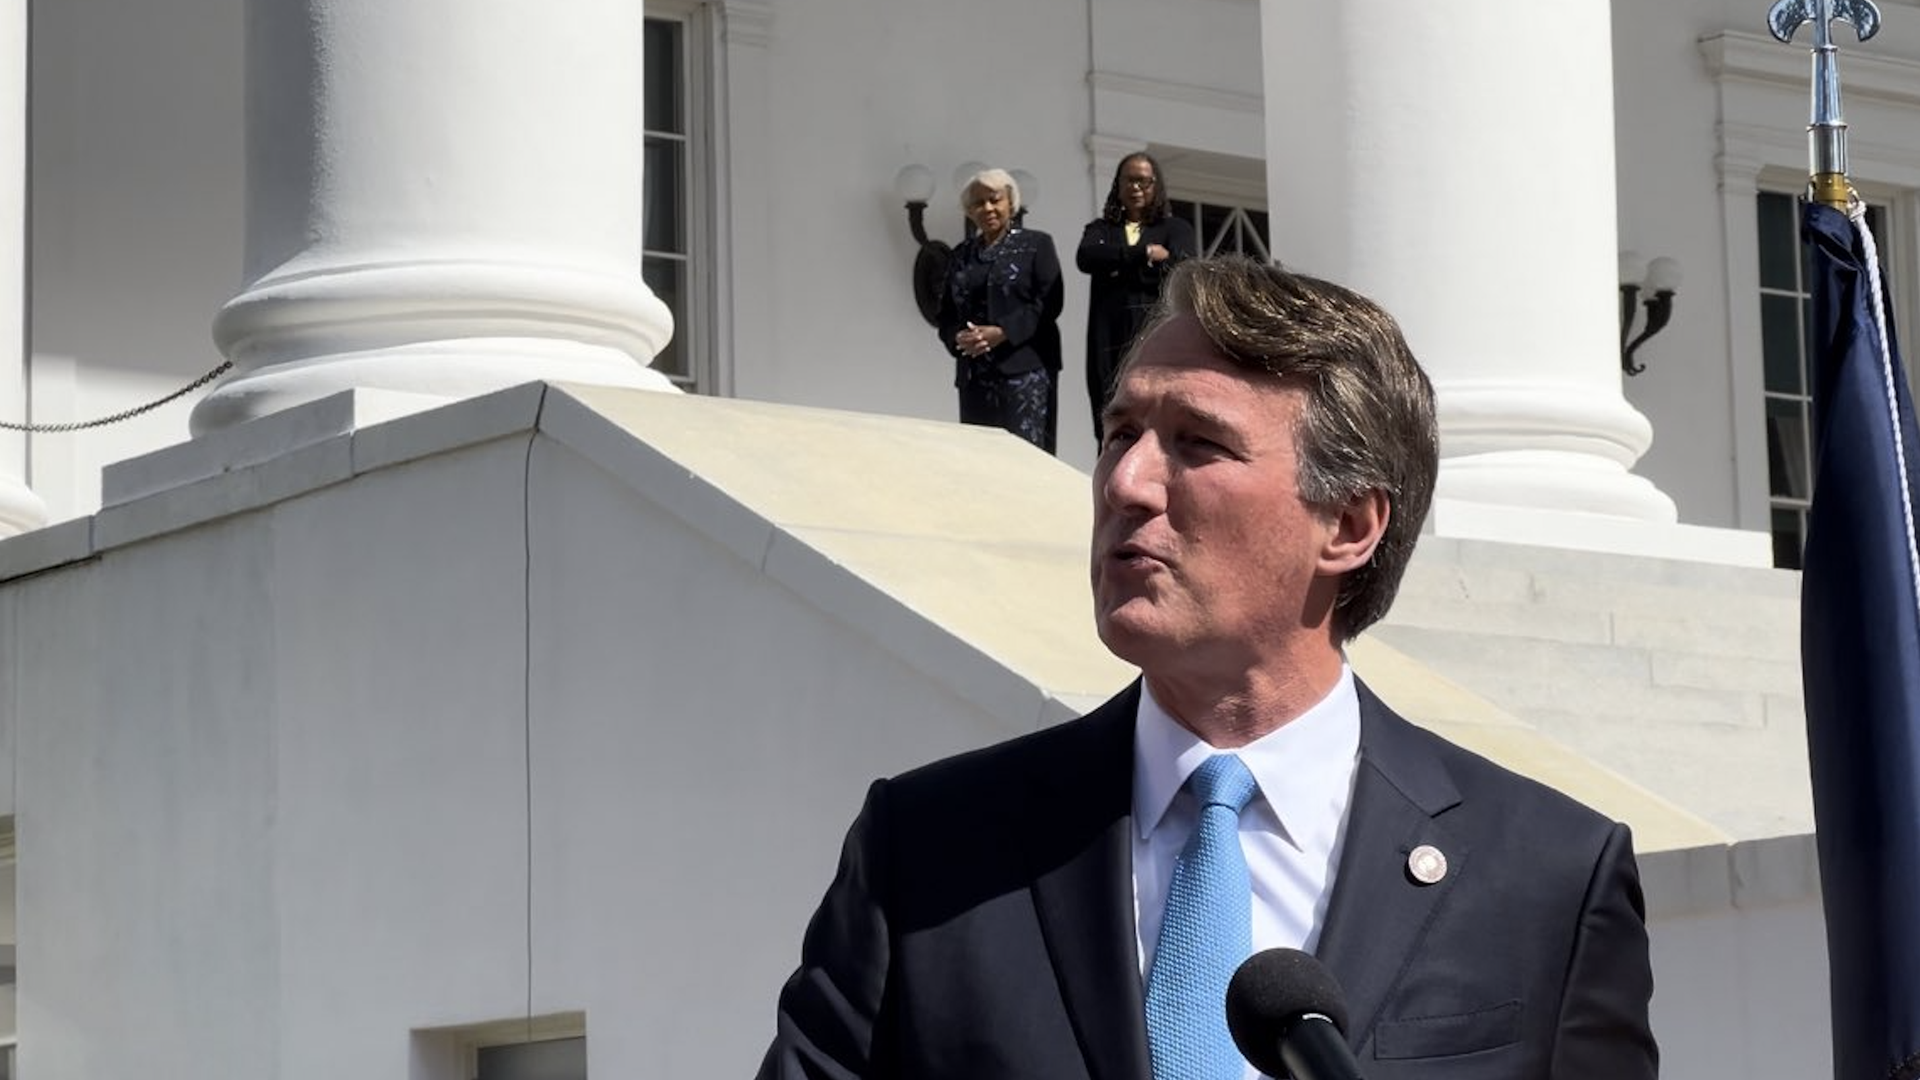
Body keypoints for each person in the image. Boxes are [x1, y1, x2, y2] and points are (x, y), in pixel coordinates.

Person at [758, 256, 1658, 1080]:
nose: (1125, 484)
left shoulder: (1547, 875)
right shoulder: (929, 849)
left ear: (1348, 525)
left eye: (1197, 443)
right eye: (1120, 433)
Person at [935, 168, 1064, 454]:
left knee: (1027, 458)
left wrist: (1003, 332)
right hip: (975, 376)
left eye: (995, 200)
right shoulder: (961, 254)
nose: (988, 208)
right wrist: (958, 339)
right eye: (978, 203)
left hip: (1026, 371)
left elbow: (1049, 303)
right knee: (981, 459)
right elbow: (944, 313)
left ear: (1011, 203)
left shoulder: (1036, 244)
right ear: (969, 211)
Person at [1077, 152, 1197, 444]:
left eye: (1143, 181)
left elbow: (1180, 268)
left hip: (1154, 331)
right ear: (1118, 186)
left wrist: (1119, 266)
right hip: (1108, 336)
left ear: (1156, 186)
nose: (1135, 187)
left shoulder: (1175, 229)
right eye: (1129, 180)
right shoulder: (1101, 230)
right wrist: (1143, 255)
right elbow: (1087, 257)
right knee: (1109, 408)